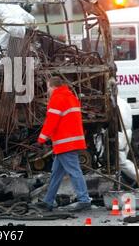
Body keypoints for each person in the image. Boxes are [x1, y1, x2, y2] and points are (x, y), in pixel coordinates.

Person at [36, 77, 92, 212]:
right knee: (56, 173)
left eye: (48, 88)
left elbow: (51, 121)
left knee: (74, 171)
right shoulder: (70, 97)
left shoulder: (57, 98)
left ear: (53, 87)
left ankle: (84, 200)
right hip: (69, 142)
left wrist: (41, 139)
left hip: (65, 143)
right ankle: (48, 201)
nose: (47, 91)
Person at [117, 97, 139, 182]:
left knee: (120, 161)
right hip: (126, 132)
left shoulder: (114, 103)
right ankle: (117, 183)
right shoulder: (123, 102)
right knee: (118, 161)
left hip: (120, 133)